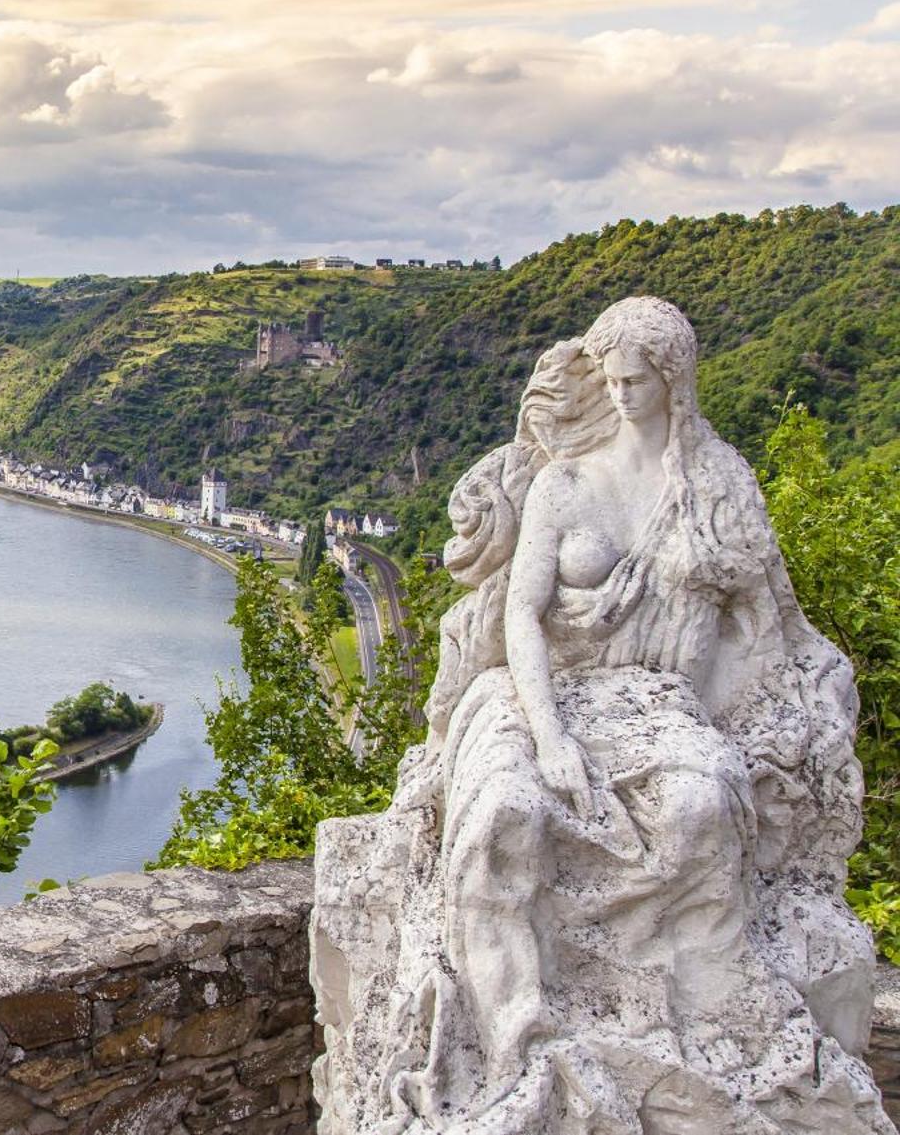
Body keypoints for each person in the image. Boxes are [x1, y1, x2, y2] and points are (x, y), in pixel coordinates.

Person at [312, 298, 890, 1133]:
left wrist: (772, 718)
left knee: (698, 807)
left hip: (661, 706)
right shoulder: (565, 481)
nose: (618, 394)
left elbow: (768, 624)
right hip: (536, 693)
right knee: (504, 814)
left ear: (674, 382)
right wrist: (550, 738)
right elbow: (520, 618)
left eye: (636, 380)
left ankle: (687, 1020)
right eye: (609, 378)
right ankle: (517, 1045)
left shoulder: (717, 486)